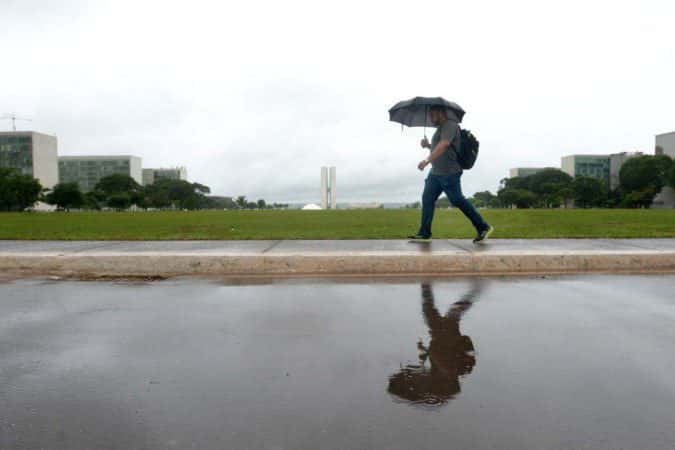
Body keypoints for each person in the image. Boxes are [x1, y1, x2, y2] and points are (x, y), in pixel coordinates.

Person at [408, 105, 493, 243]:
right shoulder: (440, 128)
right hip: (435, 173)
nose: (430, 118)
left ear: (440, 113)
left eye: (432, 114)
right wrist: (428, 145)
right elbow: (439, 147)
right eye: (429, 115)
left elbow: (445, 145)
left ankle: (483, 226)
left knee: (457, 200)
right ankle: (424, 233)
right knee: (427, 199)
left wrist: (426, 160)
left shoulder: (450, 125)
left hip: (449, 172)